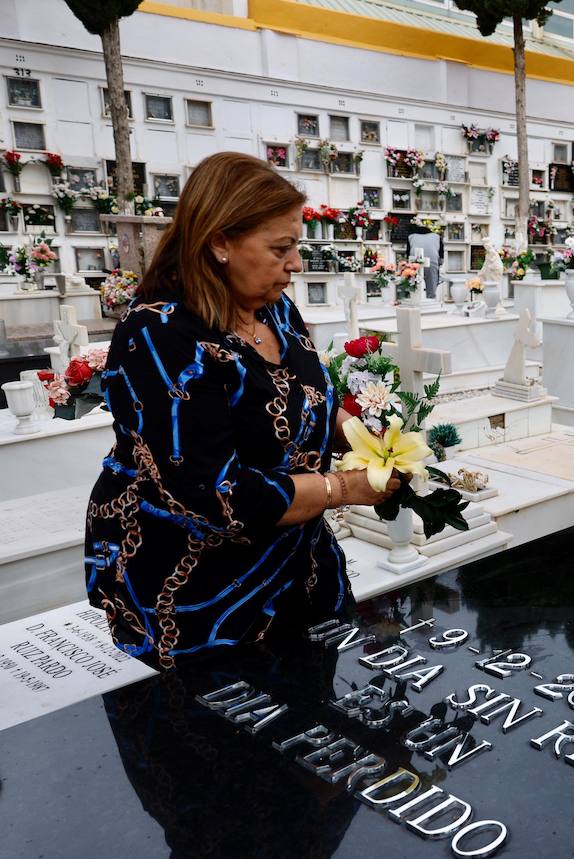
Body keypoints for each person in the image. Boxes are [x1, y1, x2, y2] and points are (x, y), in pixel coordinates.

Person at [85, 152, 401, 669]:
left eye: (296, 245)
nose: (295, 264)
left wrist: (361, 436)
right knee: (221, 741)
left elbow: (306, 399)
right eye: (281, 248)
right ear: (219, 241)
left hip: (300, 571)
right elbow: (213, 494)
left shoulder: (274, 308)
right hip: (203, 596)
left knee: (321, 728)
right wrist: (343, 489)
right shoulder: (160, 335)